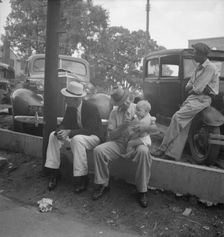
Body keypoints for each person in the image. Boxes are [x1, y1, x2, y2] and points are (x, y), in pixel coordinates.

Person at [92, 86, 157, 208]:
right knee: (99, 150)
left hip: (136, 143)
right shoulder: (114, 113)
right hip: (119, 143)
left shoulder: (140, 108)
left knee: (143, 151)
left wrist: (144, 128)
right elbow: (111, 135)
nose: (127, 103)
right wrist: (122, 126)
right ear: (118, 103)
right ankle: (102, 185)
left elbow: (155, 129)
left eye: (128, 99)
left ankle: (142, 190)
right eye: (123, 102)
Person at [152, 42, 219, 160]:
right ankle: (171, 154)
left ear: (201, 54)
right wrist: (193, 88)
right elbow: (188, 86)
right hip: (194, 99)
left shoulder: (210, 67)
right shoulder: (198, 67)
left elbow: (197, 89)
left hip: (202, 100)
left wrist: (193, 88)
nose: (193, 54)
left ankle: (162, 149)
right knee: (184, 124)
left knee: (177, 118)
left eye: (195, 52)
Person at [45, 81, 104, 193]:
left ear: (76, 99)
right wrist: (60, 131)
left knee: (77, 140)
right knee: (53, 136)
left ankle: (83, 178)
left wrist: (69, 132)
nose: (65, 100)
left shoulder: (91, 108)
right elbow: (65, 123)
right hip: (78, 135)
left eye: (67, 98)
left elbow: (88, 130)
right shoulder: (70, 107)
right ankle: (54, 173)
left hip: (93, 137)